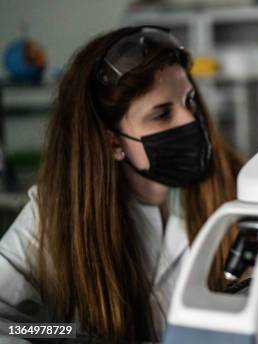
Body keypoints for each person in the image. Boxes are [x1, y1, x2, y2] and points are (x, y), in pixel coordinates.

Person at [0, 26, 242, 341]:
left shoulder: (234, 188)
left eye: (190, 101)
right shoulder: (54, 213)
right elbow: (7, 325)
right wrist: (71, 335)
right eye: (162, 114)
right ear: (112, 141)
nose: (190, 120)